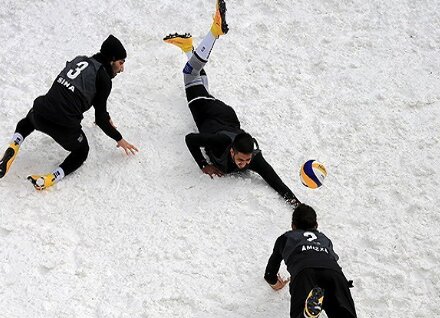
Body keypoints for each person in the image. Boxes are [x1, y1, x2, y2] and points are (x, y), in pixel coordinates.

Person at [163, 0, 299, 206]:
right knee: (190, 74)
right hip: (207, 110)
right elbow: (191, 139)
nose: (244, 165)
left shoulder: (254, 158)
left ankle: (188, 46)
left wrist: (296, 203)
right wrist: (203, 165)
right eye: (241, 160)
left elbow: (275, 181)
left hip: (223, 116)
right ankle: (214, 32)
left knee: (197, 78)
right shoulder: (221, 143)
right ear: (232, 150)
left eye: (246, 161)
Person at [0, 35, 138, 190]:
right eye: (121, 63)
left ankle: (14, 144)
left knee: (27, 121)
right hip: (64, 127)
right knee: (82, 151)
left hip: (40, 113)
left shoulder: (79, 60)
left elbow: (77, 92)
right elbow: (100, 118)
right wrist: (119, 138)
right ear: (111, 60)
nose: (122, 68)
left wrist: (105, 117)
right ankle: (51, 178)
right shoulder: (104, 79)